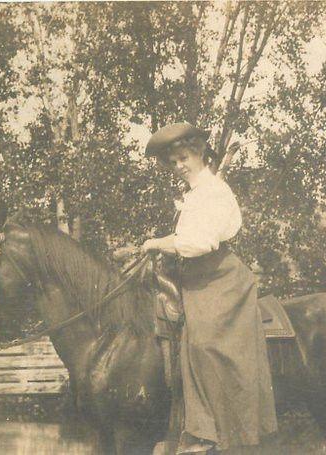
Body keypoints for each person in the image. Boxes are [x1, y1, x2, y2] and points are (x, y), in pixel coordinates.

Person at [135, 122, 278, 453]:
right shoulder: (195, 194)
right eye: (173, 162)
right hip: (195, 278)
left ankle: (209, 432)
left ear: (199, 153)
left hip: (219, 278)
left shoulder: (214, 191)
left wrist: (158, 242)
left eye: (184, 158)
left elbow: (201, 242)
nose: (179, 166)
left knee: (202, 342)